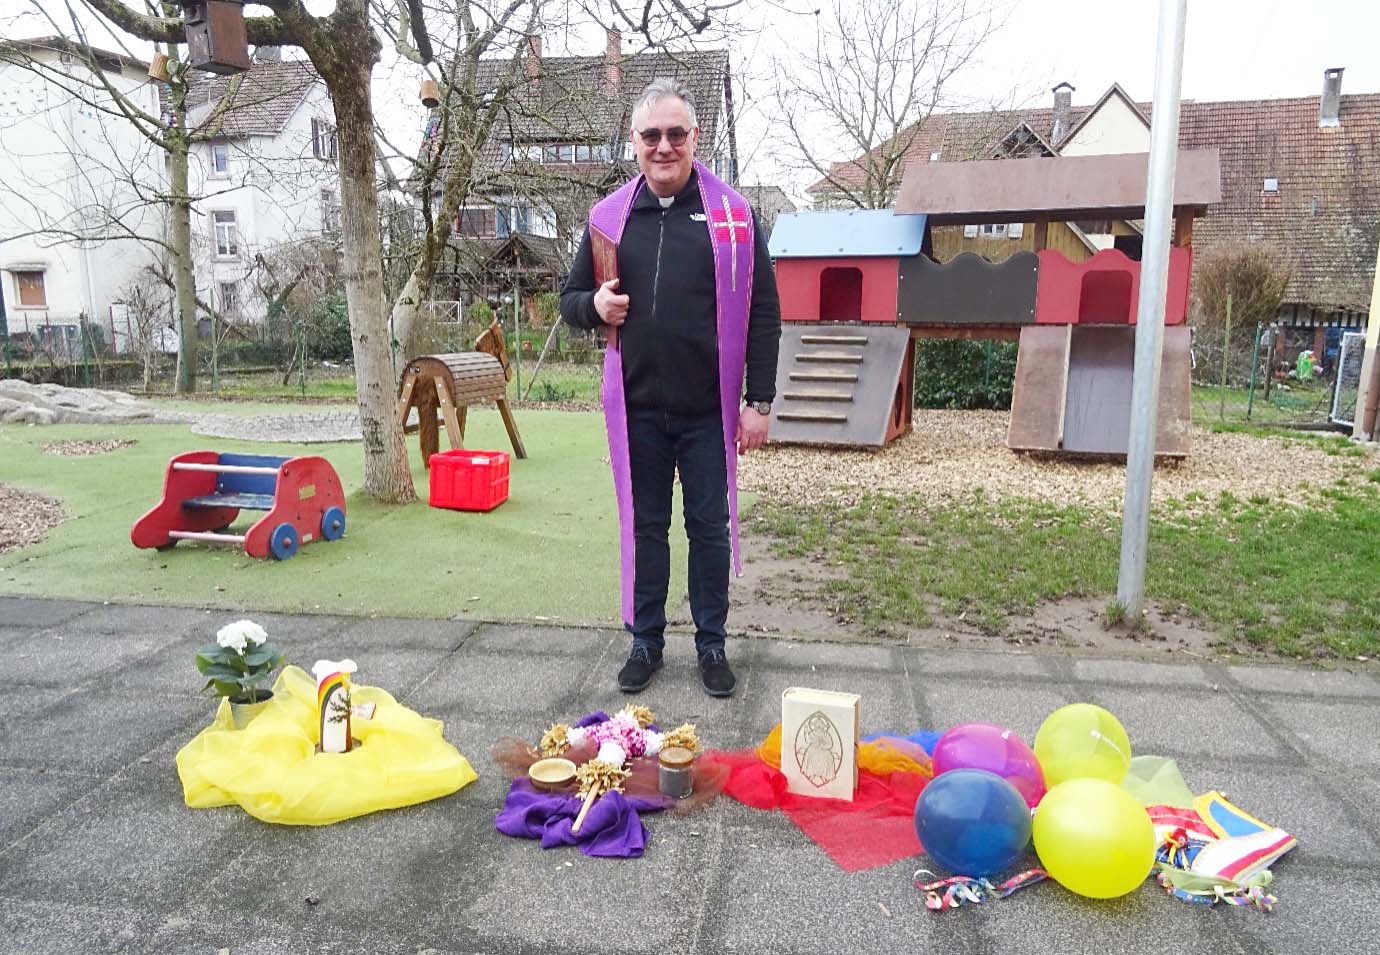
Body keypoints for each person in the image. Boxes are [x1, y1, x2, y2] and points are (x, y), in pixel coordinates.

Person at [560, 77, 781, 698]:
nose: (663, 146)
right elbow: (570, 300)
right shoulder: (608, 221)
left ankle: (712, 644)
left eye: (675, 134)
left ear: (695, 138)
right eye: (651, 135)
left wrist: (758, 402)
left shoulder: (733, 218)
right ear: (633, 141)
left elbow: (764, 312)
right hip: (637, 412)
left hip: (709, 413)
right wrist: (594, 306)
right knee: (645, 529)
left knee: (709, 530)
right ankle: (646, 642)